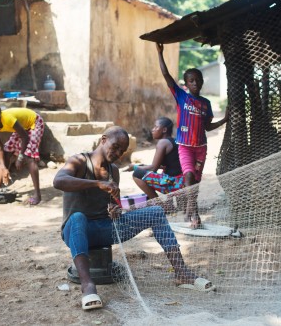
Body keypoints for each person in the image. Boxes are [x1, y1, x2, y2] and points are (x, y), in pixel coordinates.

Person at [53, 126, 215, 311]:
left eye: (122, 151)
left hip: (105, 229)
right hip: (75, 230)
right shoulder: (80, 161)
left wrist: (115, 209)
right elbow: (58, 181)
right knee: (78, 218)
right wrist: (98, 183)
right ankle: (88, 286)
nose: (117, 153)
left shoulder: (113, 171)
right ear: (103, 139)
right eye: (115, 147)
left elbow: (112, 205)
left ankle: (181, 272)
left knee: (155, 212)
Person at [156, 43, 229, 229]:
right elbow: (166, 75)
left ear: (202, 81)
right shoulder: (181, 96)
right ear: (186, 83)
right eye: (191, 80)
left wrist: (224, 120)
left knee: (195, 181)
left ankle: (191, 210)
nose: (195, 83)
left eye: (197, 80)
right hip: (185, 146)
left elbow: (207, 126)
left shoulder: (206, 104)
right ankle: (193, 212)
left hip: (201, 149)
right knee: (188, 175)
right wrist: (160, 53)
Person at [0, 101, 44, 205]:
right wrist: (4, 167)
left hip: (34, 123)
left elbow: (25, 137)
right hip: (23, 127)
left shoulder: (7, 118)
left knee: (29, 157)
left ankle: (37, 195)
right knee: (6, 152)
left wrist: (20, 157)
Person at [123, 116, 184, 199]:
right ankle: (167, 204)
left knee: (137, 174)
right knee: (142, 170)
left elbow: (153, 168)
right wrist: (141, 165)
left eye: (156, 127)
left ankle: (160, 204)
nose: (153, 129)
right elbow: (163, 165)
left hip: (174, 184)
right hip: (181, 181)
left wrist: (134, 167)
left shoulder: (162, 143)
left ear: (164, 130)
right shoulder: (173, 141)